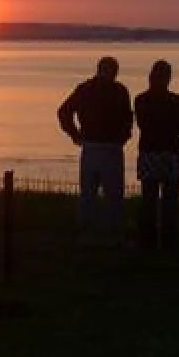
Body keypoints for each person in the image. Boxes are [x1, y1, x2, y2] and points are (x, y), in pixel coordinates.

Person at [57, 56, 133, 239]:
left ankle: (94, 229)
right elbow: (128, 117)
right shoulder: (117, 90)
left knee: (94, 193)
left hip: (99, 146)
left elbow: (64, 111)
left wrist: (75, 134)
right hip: (103, 146)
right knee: (107, 193)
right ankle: (106, 230)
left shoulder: (87, 89)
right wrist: (75, 134)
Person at [134, 60, 179, 252]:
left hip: (149, 151)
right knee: (170, 199)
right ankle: (169, 240)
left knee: (148, 198)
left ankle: (147, 241)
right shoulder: (176, 100)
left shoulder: (141, 99)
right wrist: (169, 129)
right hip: (170, 152)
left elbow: (142, 124)